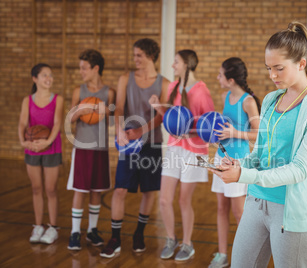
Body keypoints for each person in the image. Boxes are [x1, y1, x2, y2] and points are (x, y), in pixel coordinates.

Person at [209, 21, 307, 268]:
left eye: (279, 68)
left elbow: (300, 169)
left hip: (291, 212)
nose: (272, 76)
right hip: (256, 203)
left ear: (302, 63)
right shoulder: (270, 99)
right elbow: (260, 152)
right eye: (269, 68)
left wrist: (243, 175)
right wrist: (238, 163)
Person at [100, 38, 170, 258]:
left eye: (139, 55)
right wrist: (119, 129)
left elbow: (162, 116)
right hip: (129, 144)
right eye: (135, 55)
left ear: (150, 56)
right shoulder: (125, 79)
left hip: (152, 144)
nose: (135, 59)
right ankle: (115, 237)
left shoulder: (165, 83)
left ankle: (139, 233)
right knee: (120, 189)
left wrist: (142, 130)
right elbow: (119, 107)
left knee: (149, 192)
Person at [150, 49, 215, 262]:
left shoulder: (202, 91)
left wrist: (190, 130)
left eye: (176, 61)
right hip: (174, 149)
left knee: (183, 200)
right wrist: (158, 107)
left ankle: (187, 244)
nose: (172, 65)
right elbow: (172, 119)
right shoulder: (172, 87)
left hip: (195, 152)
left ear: (186, 64)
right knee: (164, 200)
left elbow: (209, 127)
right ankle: (171, 239)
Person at [208, 57, 261, 268]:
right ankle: (222, 255)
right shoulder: (225, 95)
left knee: (239, 213)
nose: (218, 78)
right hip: (220, 158)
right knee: (221, 208)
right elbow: (223, 126)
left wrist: (234, 132)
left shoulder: (248, 101)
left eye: (220, 74)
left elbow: (258, 134)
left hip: (238, 162)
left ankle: (244, 259)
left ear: (230, 80)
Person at [66, 49, 116, 250]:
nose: (81, 71)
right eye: (80, 68)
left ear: (96, 68)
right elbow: (70, 119)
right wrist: (82, 111)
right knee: (80, 190)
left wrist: (106, 111)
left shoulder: (109, 93)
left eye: (84, 68)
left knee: (97, 190)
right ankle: (75, 232)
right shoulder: (79, 91)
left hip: (101, 148)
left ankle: (92, 230)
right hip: (82, 147)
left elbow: (112, 121)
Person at [18, 63, 64, 244]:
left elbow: (58, 123)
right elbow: (22, 124)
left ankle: (53, 228)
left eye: (50, 75)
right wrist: (24, 141)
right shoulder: (27, 100)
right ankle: (38, 226)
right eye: (44, 75)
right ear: (35, 79)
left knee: (51, 189)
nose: (49, 79)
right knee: (36, 189)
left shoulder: (57, 99)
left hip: (51, 148)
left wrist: (47, 142)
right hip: (32, 148)